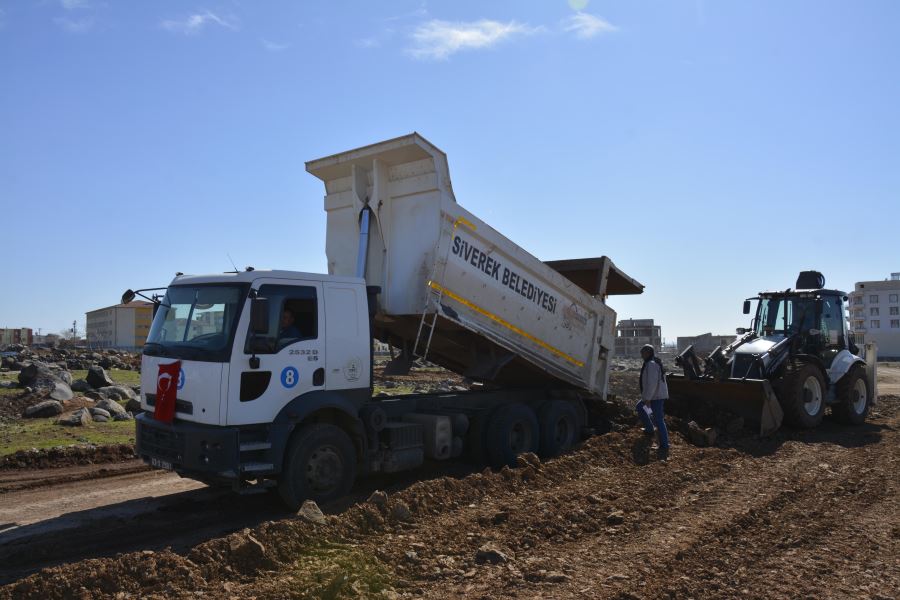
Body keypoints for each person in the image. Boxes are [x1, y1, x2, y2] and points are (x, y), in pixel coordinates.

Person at [637, 344, 670, 461]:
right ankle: (650, 429)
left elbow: (652, 383)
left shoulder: (651, 364)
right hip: (654, 396)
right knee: (640, 407)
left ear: (649, 353)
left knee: (658, 419)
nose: (642, 355)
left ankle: (664, 445)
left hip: (655, 397)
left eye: (644, 352)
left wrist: (647, 399)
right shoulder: (652, 363)